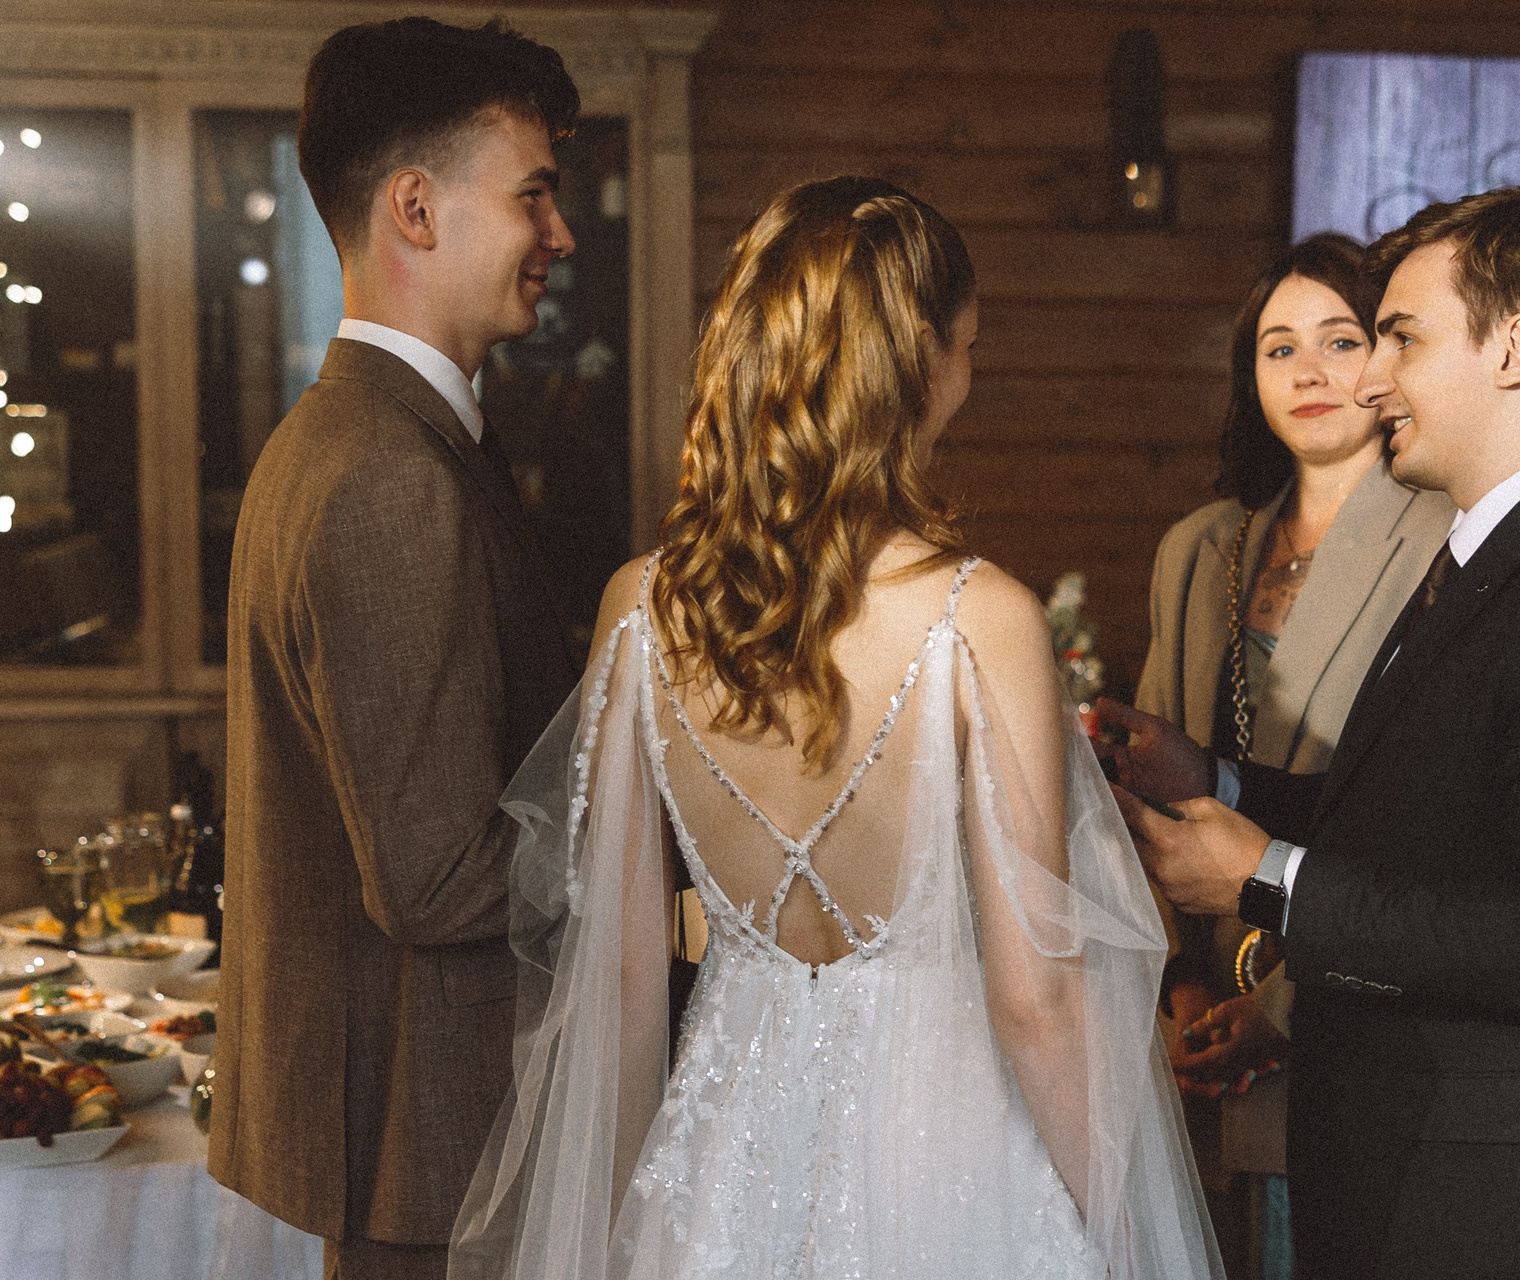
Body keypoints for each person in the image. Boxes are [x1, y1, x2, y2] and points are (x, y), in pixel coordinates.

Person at [450, 177, 1221, 1279]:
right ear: (915, 358)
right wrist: (1130, 1231)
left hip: (718, 1172)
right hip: (950, 1170)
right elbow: (1035, 999)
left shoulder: (642, 610)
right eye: (967, 345)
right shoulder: (982, 619)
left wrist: (608, 1236)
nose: (970, 375)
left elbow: (622, 985)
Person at [1114, 186, 1520, 1278]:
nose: (1369, 379)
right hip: (1433, 1169)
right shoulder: (1507, 546)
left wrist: (1269, 879)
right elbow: (1426, 812)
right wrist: (1217, 776)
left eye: (1401, 338)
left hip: (1517, 1203)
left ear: (1517, 349)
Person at [213, 19, 580, 1280]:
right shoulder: (389, 472)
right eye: (533, 194)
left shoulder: (362, 436)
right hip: (430, 1152)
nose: (561, 233)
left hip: (425, 1142)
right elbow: (435, 880)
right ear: (415, 209)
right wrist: (665, 843)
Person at [1121, 233, 1452, 1279]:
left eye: (1340, 341)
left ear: (1389, 359)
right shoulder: (1200, 546)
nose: (1309, 371)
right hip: (1193, 1000)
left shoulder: (1445, 538)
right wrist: (1177, 980)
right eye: (1279, 348)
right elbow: (1145, 790)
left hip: (1353, 997)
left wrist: (1279, 1010)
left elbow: (1426, 810)